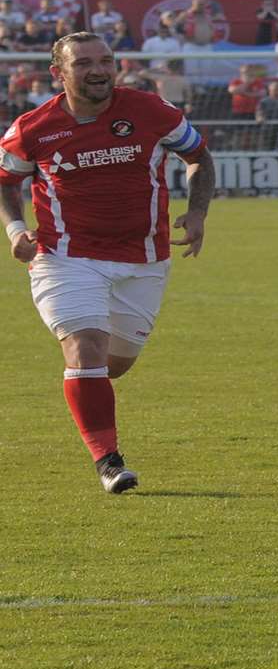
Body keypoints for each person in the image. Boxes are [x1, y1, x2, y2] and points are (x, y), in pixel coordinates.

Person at [1, 32, 215, 493]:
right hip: (64, 257)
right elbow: (5, 180)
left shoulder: (151, 110)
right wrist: (16, 229)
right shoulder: (32, 127)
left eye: (105, 60)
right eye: (83, 63)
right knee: (86, 349)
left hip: (144, 259)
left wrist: (197, 213)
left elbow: (198, 155)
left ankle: (86, 393)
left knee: (113, 366)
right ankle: (109, 462)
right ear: (58, 73)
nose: (98, 70)